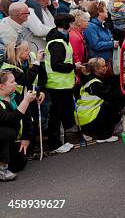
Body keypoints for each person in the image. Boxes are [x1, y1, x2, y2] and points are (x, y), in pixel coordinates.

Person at [45, 14, 82, 153]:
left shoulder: (62, 39)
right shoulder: (56, 42)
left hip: (64, 84)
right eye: (71, 24)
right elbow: (56, 65)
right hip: (57, 84)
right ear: (66, 24)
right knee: (56, 115)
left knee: (62, 114)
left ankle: (62, 141)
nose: (73, 26)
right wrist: (73, 66)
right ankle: (55, 144)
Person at [75, 58, 122, 143]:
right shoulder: (95, 83)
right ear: (97, 69)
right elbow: (113, 95)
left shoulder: (89, 78)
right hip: (89, 120)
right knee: (113, 104)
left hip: (84, 120)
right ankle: (103, 136)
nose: (106, 67)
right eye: (103, 66)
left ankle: (89, 133)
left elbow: (109, 84)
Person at [0, 70, 35, 181]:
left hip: (12, 141)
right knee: (7, 132)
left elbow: (27, 118)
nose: (16, 83)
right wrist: (26, 102)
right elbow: (9, 119)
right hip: (4, 137)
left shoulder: (15, 96)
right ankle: (2, 168)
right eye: (12, 81)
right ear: (1, 86)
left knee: (19, 164)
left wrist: (26, 137)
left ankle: (6, 164)